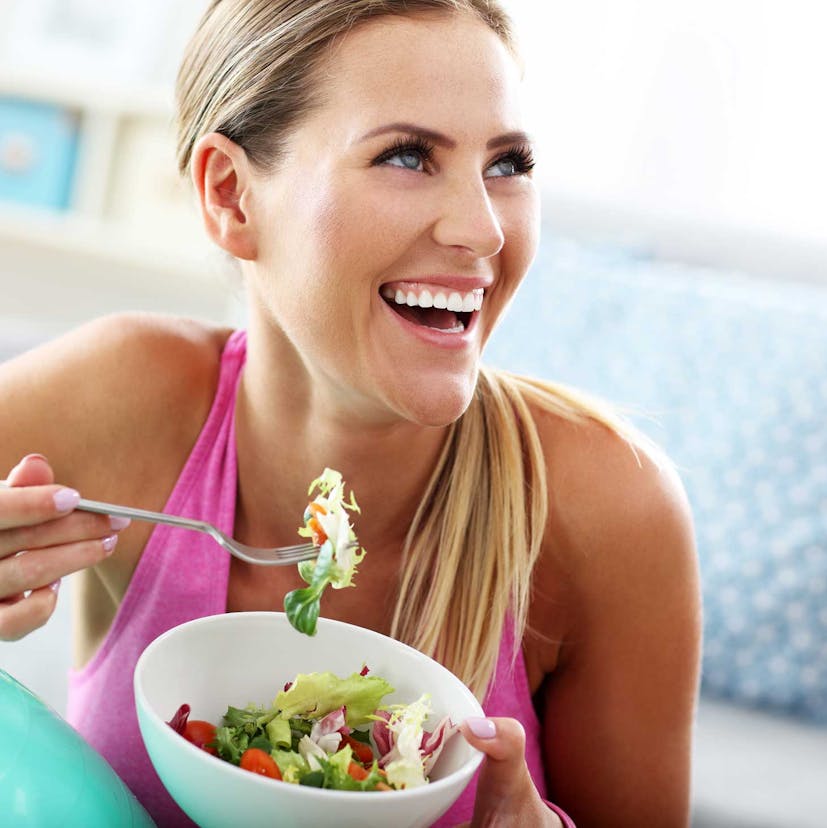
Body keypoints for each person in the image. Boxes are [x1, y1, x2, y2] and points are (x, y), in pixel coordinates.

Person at [0, 1, 701, 825]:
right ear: (231, 196)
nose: (481, 229)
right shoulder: (128, 395)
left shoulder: (610, 505)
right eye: (408, 156)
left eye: (507, 164)